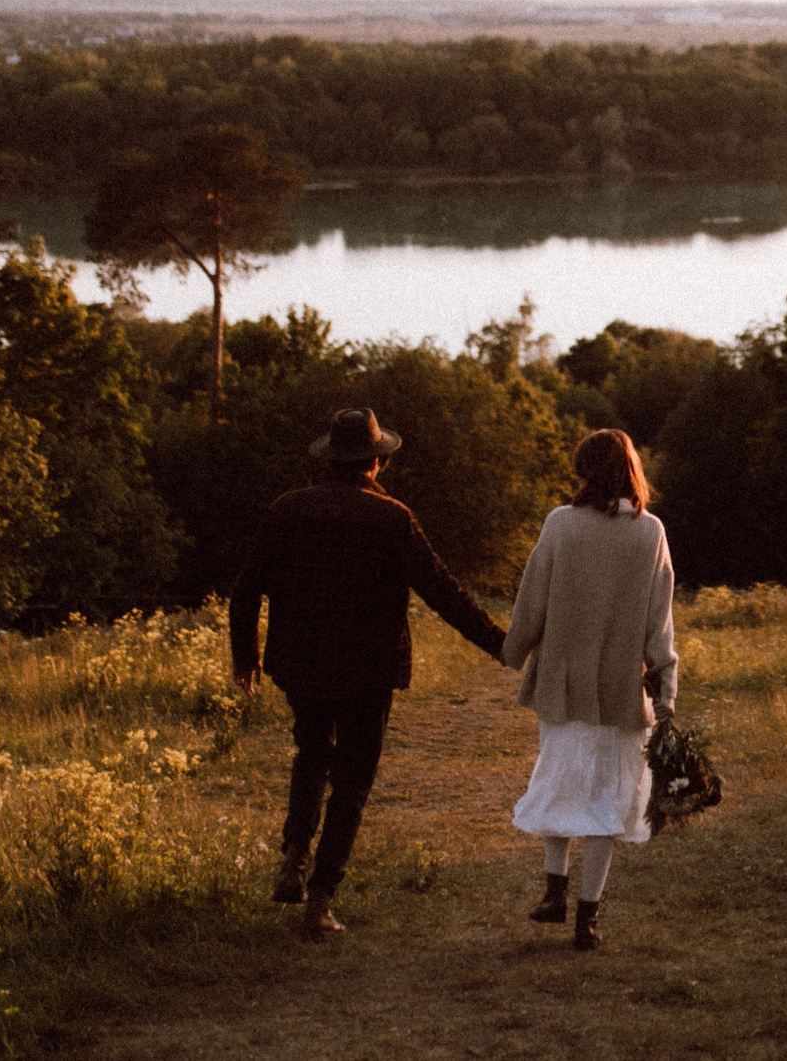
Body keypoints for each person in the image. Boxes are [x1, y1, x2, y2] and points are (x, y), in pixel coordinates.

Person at [230, 406, 508, 940]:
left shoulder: (287, 510)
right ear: (377, 463)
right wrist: (499, 644)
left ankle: (294, 853)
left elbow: (245, 589)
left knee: (311, 756)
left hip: (300, 663)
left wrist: (247, 658)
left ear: (330, 460)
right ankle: (320, 900)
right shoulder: (393, 518)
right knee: (352, 783)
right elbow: (443, 592)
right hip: (368, 669)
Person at [503, 428, 678, 952]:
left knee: (558, 777)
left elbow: (533, 597)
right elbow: (659, 621)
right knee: (607, 797)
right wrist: (665, 685)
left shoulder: (561, 524)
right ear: (631, 471)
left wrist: (512, 651)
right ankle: (588, 917)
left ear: (584, 471)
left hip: (560, 679)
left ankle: (554, 890)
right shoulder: (650, 533)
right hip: (620, 686)